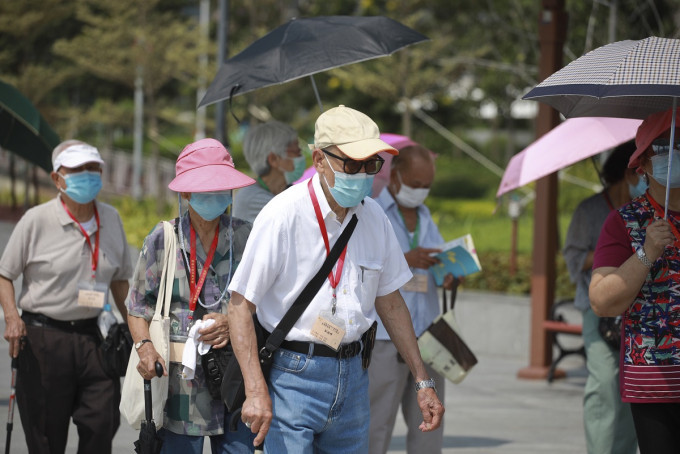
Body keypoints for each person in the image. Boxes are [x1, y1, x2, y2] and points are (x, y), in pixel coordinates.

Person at [226, 105, 445, 452]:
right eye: (352, 164)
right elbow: (239, 305)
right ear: (318, 160)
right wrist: (255, 390)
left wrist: (422, 379)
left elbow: (390, 301)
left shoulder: (374, 218)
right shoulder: (283, 215)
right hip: (292, 373)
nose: (362, 174)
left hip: (355, 376)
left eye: (371, 164)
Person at [0, 140, 133, 454]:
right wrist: (12, 318)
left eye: (92, 168)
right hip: (44, 337)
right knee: (45, 431)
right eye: (77, 170)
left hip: (95, 336)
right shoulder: (36, 220)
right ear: (57, 178)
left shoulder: (111, 218)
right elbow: (5, 274)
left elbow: (120, 282)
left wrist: (139, 333)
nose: (87, 175)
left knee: (102, 422)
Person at [127, 138, 256, 453]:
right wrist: (145, 349)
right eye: (205, 188)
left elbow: (266, 301)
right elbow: (137, 307)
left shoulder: (246, 236)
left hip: (235, 378)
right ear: (185, 192)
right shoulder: (164, 238)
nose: (215, 195)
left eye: (221, 187)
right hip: (179, 388)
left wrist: (233, 321)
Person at [590, 107, 680, 454]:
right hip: (654, 380)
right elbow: (602, 301)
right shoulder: (624, 221)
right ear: (641, 163)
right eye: (664, 146)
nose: (675, 152)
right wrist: (647, 252)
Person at [369, 139, 456, 454]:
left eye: (427, 185)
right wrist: (407, 258)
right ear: (395, 177)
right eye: (416, 184)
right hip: (384, 337)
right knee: (377, 422)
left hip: (428, 336)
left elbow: (436, 258)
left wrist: (448, 271)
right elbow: (363, 266)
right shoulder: (372, 211)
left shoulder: (425, 215)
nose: (421, 191)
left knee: (431, 422)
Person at [563, 141, 642, 454]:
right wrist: (611, 255)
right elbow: (572, 257)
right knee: (606, 384)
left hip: (638, 311)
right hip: (598, 310)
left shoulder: (648, 210)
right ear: (628, 173)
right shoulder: (590, 210)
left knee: (633, 387)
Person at [232, 120, 305, 223]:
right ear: (273, 159)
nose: (302, 158)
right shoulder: (251, 198)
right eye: (297, 152)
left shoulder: (287, 191)